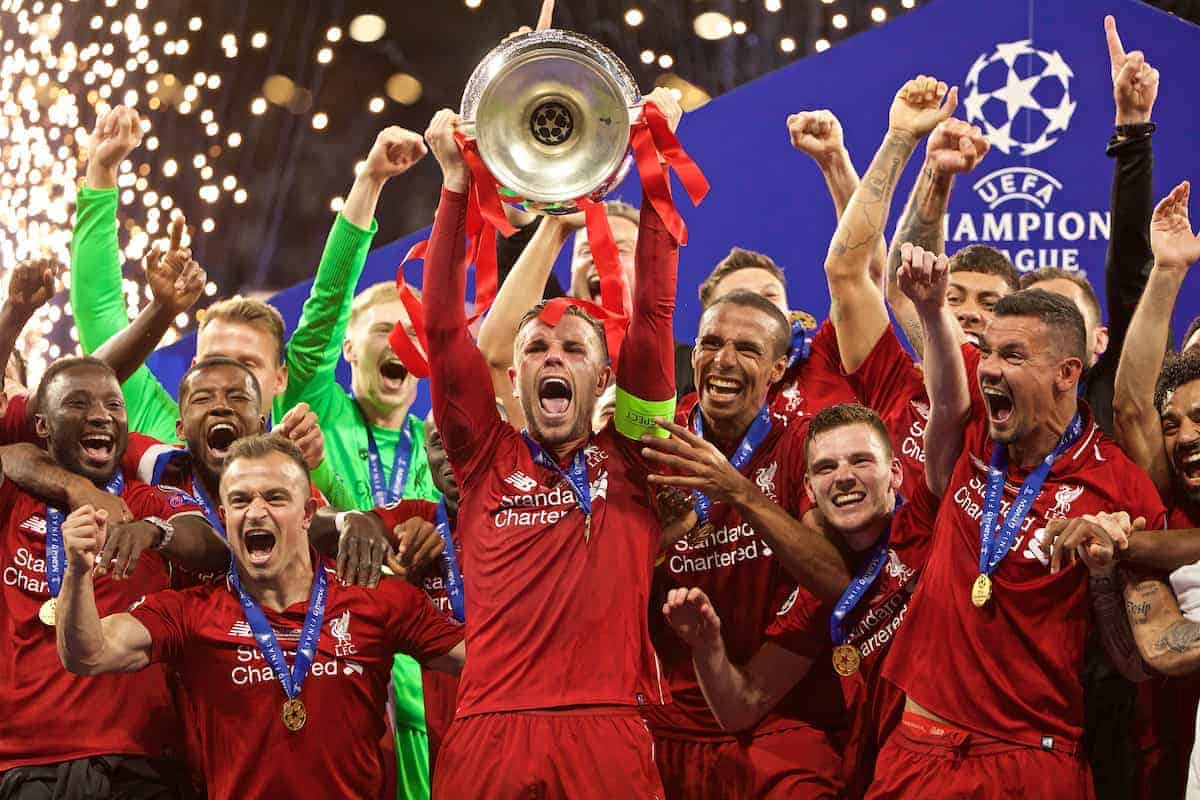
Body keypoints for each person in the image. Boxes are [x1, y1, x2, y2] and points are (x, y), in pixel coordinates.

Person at [420, 89, 682, 797]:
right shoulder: (481, 458)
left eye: (574, 347)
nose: (554, 359)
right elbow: (444, 333)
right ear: (514, 372)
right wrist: (453, 187)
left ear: (604, 375)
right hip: (489, 734)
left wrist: (654, 157)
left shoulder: (634, 452)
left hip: (607, 734)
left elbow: (654, 316)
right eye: (537, 349)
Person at [866, 284, 1166, 799]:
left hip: (1032, 762)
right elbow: (901, 305)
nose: (988, 368)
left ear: (1068, 373)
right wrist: (933, 302)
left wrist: (1103, 578)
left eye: (1012, 355)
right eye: (985, 351)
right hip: (919, 752)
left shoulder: (1121, 487)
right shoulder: (977, 423)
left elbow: (1136, 664)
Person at [54, 434, 464, 800]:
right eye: (240, 500)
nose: (255, 511)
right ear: (225, 515)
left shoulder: (378, 599)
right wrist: (77, 571)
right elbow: (89, 654)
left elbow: (484, 660)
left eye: (274, 497)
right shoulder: (191, 611)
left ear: (307, 513)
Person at [661, 402, 939, 799]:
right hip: (888, 775)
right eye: (826, 468)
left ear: (896, 472)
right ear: (808, 488)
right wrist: (708, 647)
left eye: (860, 461)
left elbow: (952, 404)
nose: (843, 477)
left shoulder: (935, 528)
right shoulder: (815, 593)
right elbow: (742, 705)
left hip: (963, 760)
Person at [0, 356, 225, 797]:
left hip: (141, 761)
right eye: (78, 403)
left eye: (114, 406)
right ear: (42, 427)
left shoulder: (145, 500)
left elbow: (213, 548)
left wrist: (154, 533)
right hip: (27, 763)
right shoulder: (12, 498)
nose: (101, 415)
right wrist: (72, 487)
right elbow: (6, 453)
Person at [1112, 180, 1200, 798]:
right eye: (1177, 424)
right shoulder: (1163, 508)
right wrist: (1167, 271)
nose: (1186, 437)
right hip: (1169, 756)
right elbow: (1130, 408)